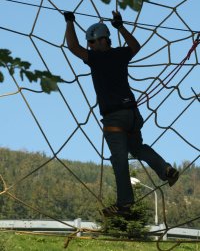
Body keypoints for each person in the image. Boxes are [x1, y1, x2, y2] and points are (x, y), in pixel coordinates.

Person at [64, 11, 179, 218]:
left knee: (119, 159)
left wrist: (69, 22)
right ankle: (166, 170)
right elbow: (135, 46)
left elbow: (72, 47)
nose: (89, 46)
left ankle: (124, 204)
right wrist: (120, 26)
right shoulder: (120, 54)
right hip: (132, 114)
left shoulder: (96, 59)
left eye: (91, 42)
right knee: (137, 148)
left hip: (115, 117)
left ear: (101, 40)